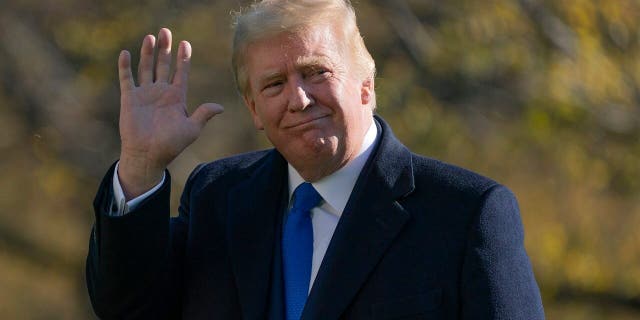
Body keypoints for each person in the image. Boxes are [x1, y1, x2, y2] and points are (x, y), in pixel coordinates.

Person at [86, 0, 545, 319]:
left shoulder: (467, 214)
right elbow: (127, 307)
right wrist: (141, 165)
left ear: (366, 85)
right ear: (254, 111)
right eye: (273, 85)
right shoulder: (218, 198)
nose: (299, 99)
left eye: (315, 72)